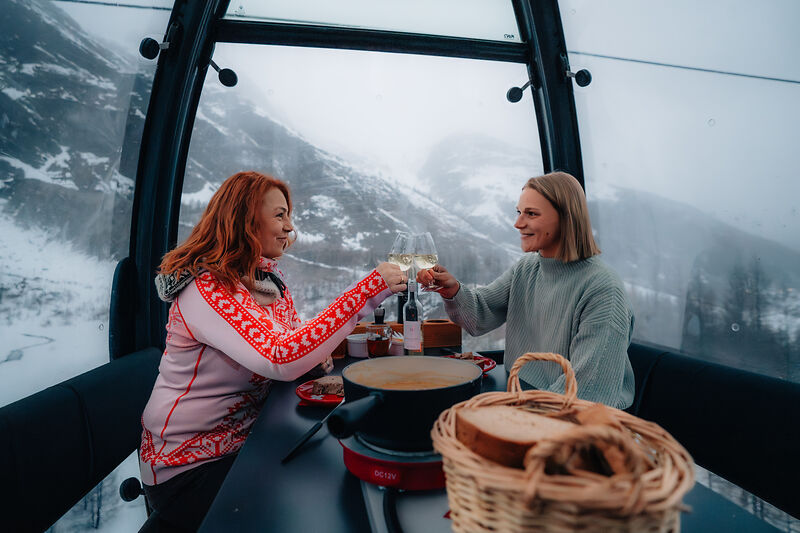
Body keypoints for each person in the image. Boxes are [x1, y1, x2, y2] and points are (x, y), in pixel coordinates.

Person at [139, 171, 407, 531]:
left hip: (245, 440)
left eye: (288, 216)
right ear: (245, 219)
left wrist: (311, 356)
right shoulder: (207, 288)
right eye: (279, 215)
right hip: (189, 464)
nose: (289, 228)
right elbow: (281, 357)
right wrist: (366, 291)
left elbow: (292, 343)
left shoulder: (266, 283)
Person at [418, 171, 634, 409]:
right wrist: (454, 291)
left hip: (576, 422)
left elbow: (587, 390)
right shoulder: (527, 268)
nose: (518, 223)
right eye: (519, 212)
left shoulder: (603, 289)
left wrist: (515, 417)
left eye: (531, 214)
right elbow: (480, 316)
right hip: (523, 398)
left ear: (566, 218)